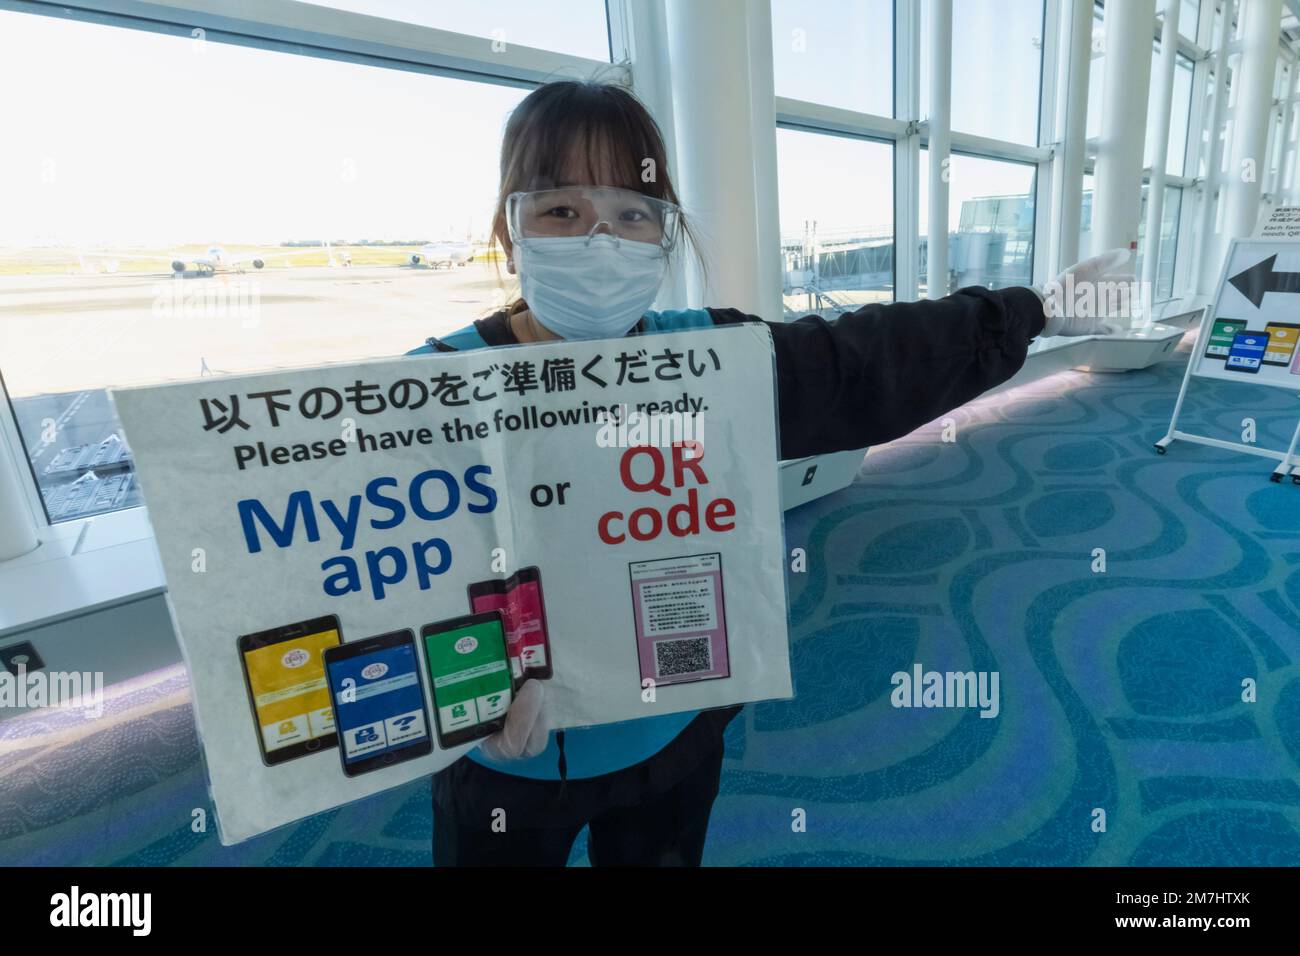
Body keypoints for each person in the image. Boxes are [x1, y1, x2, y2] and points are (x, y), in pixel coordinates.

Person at [407, 79, 1132, 867]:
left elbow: (869, 359)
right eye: (562, 212)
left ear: (665, 236)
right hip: (508, 764)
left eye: (633, 214)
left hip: (671, 731)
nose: (601, 242)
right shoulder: (432, 387)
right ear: (510, 231)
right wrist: (455, 684)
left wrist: (1039, 308)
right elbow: (365, 575)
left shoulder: (713, 360)